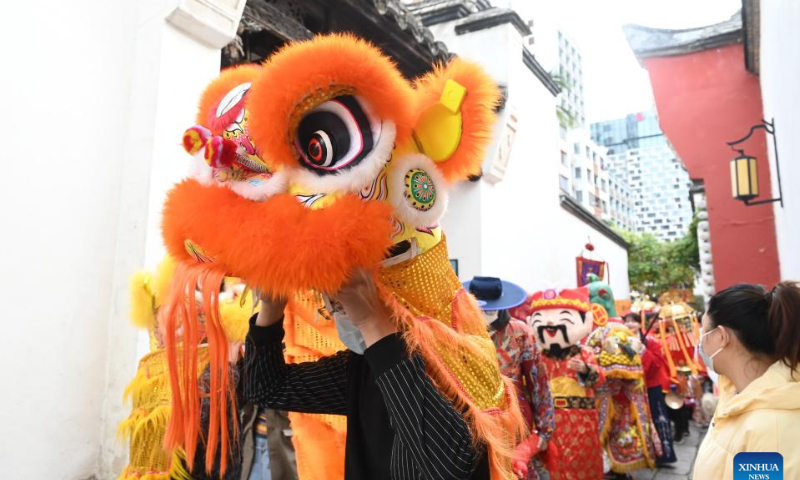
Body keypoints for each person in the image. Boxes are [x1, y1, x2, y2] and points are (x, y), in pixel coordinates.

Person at [244, 270, 491, 479]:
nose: (334, 312)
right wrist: (271, 306)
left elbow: (448, 466)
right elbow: (267, 388)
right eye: (332, 303)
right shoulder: (364, 367)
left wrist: (372, 320)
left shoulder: (461, 362)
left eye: (340, 302)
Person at [693, 282, 800, 479]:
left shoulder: (769, 430)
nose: (699, 342)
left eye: (703, 331)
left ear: (721, 336)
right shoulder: (737, 394)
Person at [465, 277, 556, 480]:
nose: (484, 316)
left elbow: (539, 385)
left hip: (512, 422)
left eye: (489, 311)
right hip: (468, 423)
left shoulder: (520, 332)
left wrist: (542, 434)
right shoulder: (458, 330)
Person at [529, 287, 605, 480]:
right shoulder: (538, 357)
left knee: (583, 459)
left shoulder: (583, 353)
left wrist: (586, 370)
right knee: (553, 462)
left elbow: (600, 381)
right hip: (550, 420)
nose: (551, 325)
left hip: (581, 418)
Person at [624, 313, 677, 467]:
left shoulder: (651, 342)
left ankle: (662, 455)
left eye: (633, 321)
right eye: (626, 321)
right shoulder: (620, 340)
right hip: (631, 387)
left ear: (640, 324)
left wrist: (642, 350)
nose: (630, 324)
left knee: (657, 419)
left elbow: (656, 365)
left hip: (651, 386)